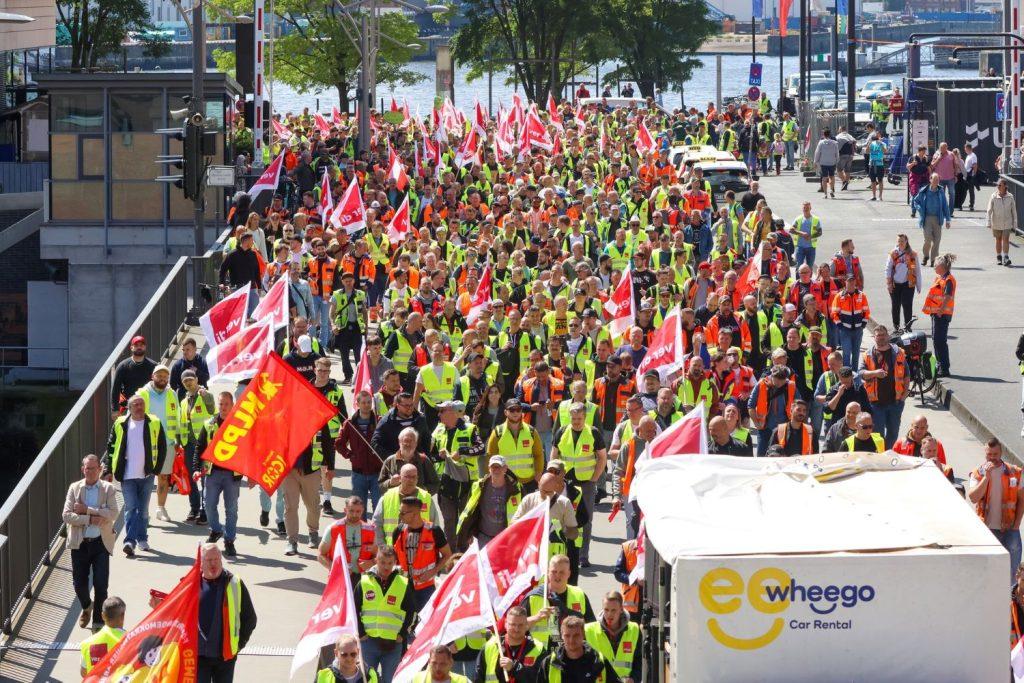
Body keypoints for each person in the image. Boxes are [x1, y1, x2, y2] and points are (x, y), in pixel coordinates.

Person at [102, 394, 167, 557]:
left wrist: (157, 469)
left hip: (147, 475)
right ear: (129, 408)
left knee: (143, 510)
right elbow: (111, 447)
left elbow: (162, 446)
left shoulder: (154, 422)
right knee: (132, 508)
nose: (139, 407)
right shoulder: (120, 423)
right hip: (127, 474)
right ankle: (129, 542)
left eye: (141, 404)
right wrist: (109, 470)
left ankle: (142, 538)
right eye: (136, 405)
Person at [64, 454, 119, 630]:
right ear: (83, 469)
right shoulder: (74, 488)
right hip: (80, 543)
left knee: (101, 584)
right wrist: (90, 518)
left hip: (101, 542)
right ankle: (87, 605)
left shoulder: (108, 488)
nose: (90, 472)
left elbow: (113, 514)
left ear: (100, 469)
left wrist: (87, 510)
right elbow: (66, 515)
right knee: (79, 584)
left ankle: (97, 621)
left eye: (93, 468)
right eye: (87, 468)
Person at [549, 403, 608, 567]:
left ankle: (583, 556)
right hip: (565, 483)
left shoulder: (593, 433)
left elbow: (602, 457)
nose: (576, 422)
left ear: (585, 417)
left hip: (586, 482)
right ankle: (563, 552)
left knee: (585, 519)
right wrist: (554, 476)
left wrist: (595, 478)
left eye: (579, 418)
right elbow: (554, 454)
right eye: (573, 418)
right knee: (560, 517)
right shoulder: (562, 431)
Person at [195, 391, 244, 558]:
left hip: (232, 475)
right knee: (208, 505)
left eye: (226, 404)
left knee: (231, 509)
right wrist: (196, 467)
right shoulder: (209, 423)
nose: (223, 407)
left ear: (232, 405)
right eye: (221, 404)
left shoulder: (240, 425)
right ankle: (216, 530)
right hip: (212, 473)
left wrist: (251, 475)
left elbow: (249, 451)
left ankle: (229, 540)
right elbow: (199, 447)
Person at [968, 438, 1024, 580]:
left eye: (995, 454)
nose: (992, 458)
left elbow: (1022, 499)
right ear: (985, 453)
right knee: (987, 571)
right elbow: (973, 497)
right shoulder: (977, 473)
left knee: (1012, 572)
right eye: (989, 455)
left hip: (1010, 528)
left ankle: (1011, 599)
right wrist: (986, 478)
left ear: (1001, 452)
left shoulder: (1015, 472)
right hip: (986, 529)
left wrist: (1016, 525)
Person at [356, 546, 415, 681]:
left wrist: (402, 634)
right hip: (368, 641)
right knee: (367, 680)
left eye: (390, 563)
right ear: (376, 560)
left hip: (393, 643)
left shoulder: (403, 583)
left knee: (390, 680)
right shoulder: (364, 582)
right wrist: (361, 634)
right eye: (382, 562)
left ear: (395, 562)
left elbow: (412, 612)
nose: (386, 567)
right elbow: (354, 609)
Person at [137, 364, 185, 524]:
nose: (163, 379)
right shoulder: (143, 393)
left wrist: (178, 437)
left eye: (165, 376)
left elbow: (177, 416)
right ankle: (143, 512)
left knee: (164, 477)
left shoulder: (171, 394)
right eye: (160, 376)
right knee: (145, 478)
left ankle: (160, 508)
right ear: (153, 376)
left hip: (168, 442)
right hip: (147, 443)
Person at [522, 555, 595, 648]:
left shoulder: (579, 594)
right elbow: (515, 628)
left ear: (569, 573)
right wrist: (537, 617)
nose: (557, 576)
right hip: (541, 655)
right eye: (554, 571)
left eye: (562, 572)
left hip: (572, 653)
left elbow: (592, 627)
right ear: (548, 572)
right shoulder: (533, 597)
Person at [456, 454, 523, 550]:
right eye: (493, 467)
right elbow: (470, 512)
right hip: (483, 537)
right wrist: (468, 533)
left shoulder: (517, 489)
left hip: (506, 537)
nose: (496, 470)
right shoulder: (478, 486)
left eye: (499, 467)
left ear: (505, 468)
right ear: (488, 468)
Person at [859, 326, 909, 448]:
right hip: (876, 404)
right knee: (878, 435)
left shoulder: (899, 353)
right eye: (878, 335)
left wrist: (904, 395)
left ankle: (888, 454)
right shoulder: (867, 355)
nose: (881, 337)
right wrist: (875, 373)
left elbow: (907, 375)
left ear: (888, 336)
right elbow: (861, 373)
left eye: (883, 335)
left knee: (893, 434)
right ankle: (881, 456)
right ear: (874, 337)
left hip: (895, 402)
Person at [336, 390, 384, 518]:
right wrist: (350, 455)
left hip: (377, 473)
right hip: (358, 474)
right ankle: (363, 536)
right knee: (359, 510)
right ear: (357, 404)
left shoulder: (379, 421)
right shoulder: (350, 423)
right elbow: (339, 443)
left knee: (378, 509)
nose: (367, 405)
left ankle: (376, 536)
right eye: (363, 402)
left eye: (369, 402)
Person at [486, 399, 546, 494]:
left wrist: (538, 472)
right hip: (506, 481)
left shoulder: (531, 431)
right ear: (506, 412)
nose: (515, 413)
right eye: (512, 410)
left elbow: (538, 454)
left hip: (529, 481)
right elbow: (490, 456)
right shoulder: (497, 432)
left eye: (518, 410)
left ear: (522, 412)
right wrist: (492, 476)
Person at [474, 605, 544, 683]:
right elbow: (478, 678)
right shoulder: (490, 646)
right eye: (513, 624)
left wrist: (514, 667)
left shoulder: (538, 647)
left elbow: (540, 678)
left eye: (520, 625)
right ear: (506, 624)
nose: (516, 629)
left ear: (527, 625)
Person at [538, 616, 618, 683]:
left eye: (576, 635)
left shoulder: (598, 661)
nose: (571, 640)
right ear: (561, 635)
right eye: (567, 635)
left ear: (583, 634)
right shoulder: (549, 663)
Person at [374, 463, 440, 544]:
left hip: (420, 550)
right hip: (392, 551)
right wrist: (382, 546)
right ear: (400, 478)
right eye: (407, 476)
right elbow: (377, 524)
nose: (410, 480)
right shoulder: (387, 497)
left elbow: (435, 526)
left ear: (417, 479)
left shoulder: (426, 498)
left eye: (413, 477)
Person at [584, 592, 642, 683]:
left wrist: (633, 679)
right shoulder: (588, 630)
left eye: (613, 610)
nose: (609, 614)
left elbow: (639, 661)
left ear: (621, 609)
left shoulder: (634, 629)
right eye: (606, 610)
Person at [180, 369, 214, 523]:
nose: (188, 382)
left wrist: (206, 396)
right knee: (191, 476)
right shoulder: (184, 401)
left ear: (196, 379)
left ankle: (205, 511)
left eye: (190, 379)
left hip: (204, 444)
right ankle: (194, 508)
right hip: (188, 445)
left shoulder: (204, 395)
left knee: (205, 478)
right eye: (185, 380)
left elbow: (212, 408)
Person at [319, 496, 376, 579]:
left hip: (363, 579)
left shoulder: (370, 530)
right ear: (345, 510)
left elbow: (378, 555)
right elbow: (321, 555)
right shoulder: (333, 528)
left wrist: (372, 562)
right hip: (339, 577)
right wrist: (336, 568)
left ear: (362, 511)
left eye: (358, 511)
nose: (354, 514)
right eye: (351, 511)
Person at [329, 271, 368, 383]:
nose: (348, 283)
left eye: (350, 281)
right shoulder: (337, 294)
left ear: (354, 281)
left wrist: (366, 328)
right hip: (342, 328)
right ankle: (348, 376)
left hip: (356, 327)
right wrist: (333, 325)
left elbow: (364, 311)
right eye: (346, 281)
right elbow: (331, 313)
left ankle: (360, 377)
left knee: (358, 354)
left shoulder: (360, 294)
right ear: (342, 282)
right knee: (344, 354)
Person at [922, 253, 956, 378]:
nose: (934, 268)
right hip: (937, 314)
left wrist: (941, 310)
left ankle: (944, 368)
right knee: (936, 340)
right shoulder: (940, 278)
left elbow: (948, 296)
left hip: (942, 314)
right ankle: (940, 366)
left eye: (936, 265)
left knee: (940, 341)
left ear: (942, 266)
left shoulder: (948, 280)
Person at [110, 335, 157, 418]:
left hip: (149, 408)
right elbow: (115, 389)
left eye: (141, 345)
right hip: (129, 408)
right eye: (136, 345)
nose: (139, 347)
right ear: (131, 347)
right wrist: (115, 409)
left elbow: (159, 387)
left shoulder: (153, 366)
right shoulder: (123, 366)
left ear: (145, 347)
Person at [831, 274, 871, 369]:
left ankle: (855, 374)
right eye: (849, 281)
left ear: (855, 282)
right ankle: (847, 374)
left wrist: (863, 324)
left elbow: (866, 311)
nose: (851, 283)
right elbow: (834, 313)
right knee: (846, 353)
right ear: (845, 282)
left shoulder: (862, 295)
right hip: (845, 330)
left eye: (853, 281)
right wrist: (840, 325)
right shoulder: (839, 296)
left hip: (858, 330)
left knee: (856, 353)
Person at [79, 596, 126, 676]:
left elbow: (84, 673)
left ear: (103, 616)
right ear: (122, 616)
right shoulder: (130, 640)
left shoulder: (86, 644)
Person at [913, 173, 952, 267]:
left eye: (937, 180)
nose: (936, 182)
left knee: (937, 240)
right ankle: (926, 256)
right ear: (930, 180)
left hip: (938, 218)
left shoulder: (941, 191)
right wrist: (919, 209)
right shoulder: (924, 191)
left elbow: (945, 205)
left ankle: (933, 260)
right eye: (934, 180)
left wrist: (948, 220)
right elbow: (915, 201)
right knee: (927, 239)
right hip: (927, 218)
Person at [884, 234, 921, 331]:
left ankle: (907, 326)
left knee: (907, 305)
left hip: (908, 283)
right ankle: (896, 326)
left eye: (902, 241)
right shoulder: (893, 254)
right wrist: (888, 284)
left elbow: (917, 270)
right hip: (895, 284)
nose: (900, 243)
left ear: (906, 242)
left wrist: (919, 285)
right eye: (899, 241)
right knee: (895, 305)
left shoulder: (913, 254)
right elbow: (887, 269)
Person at [987, 178, 1017, 267]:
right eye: (997, 185)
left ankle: (1006, 257)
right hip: (996, 222)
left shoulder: (1010, 197)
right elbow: (989, 210)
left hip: (1007, 222)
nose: (998, 187)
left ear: (1005, 186)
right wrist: (988, 222)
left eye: (1000, 185)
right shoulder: (993, 196)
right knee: (998, 240)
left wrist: (1015, 222)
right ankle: (999, 257)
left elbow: (1014, 211)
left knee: (1006, 239)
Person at [813, 128, 838, 198]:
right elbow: (837, 153)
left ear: (823, 135)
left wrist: (815, 162)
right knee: (832, 177)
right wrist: (837, 161)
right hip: (832, 162)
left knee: (824, 178)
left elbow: (817, 153)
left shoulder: (821, 143)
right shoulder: (834, 143)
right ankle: (831, 190)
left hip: (823, 163)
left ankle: (825, 194)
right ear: (830, 135)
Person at [866, 132, 886, 201]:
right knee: (873, 181)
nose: (877, 136)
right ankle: (874, 196)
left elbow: (885, 151)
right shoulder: (872, 143)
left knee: (880, 180)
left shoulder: (883, 144)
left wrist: (881, 144)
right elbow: (867, 152)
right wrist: (868, 144)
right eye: (876, 135)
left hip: (879, 164)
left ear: (880, 136)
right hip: (872, 164)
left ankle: (880, 196)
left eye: (878, 135)